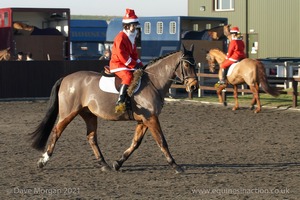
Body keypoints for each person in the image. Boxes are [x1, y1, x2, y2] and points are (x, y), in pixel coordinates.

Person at [109, 8, 143, 113]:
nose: (134, 27)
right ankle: (120, 102)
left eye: (135, 25)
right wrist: (133, 65)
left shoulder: (131, 37)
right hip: (118, 64)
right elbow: (121, 55)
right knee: (128, 76)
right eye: (133, 25)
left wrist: (140, 64)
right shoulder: (120, 37)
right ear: (126, 26)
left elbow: (133, 54)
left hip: (126, 64)